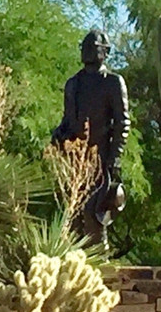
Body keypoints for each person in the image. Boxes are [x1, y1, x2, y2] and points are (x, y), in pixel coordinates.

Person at [51, 28, 130, 244]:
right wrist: (58, 136)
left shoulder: (113, 82)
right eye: (84, 47)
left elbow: (122, 122)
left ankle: (99, 267)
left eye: (92, 47)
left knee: (95, 215)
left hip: (101, 158)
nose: (86, 51)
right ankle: (73, 267)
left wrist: (115, 157)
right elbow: (68, 120)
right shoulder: (73, 84)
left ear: (105, 51)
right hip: (75, 160)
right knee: (73, 215)